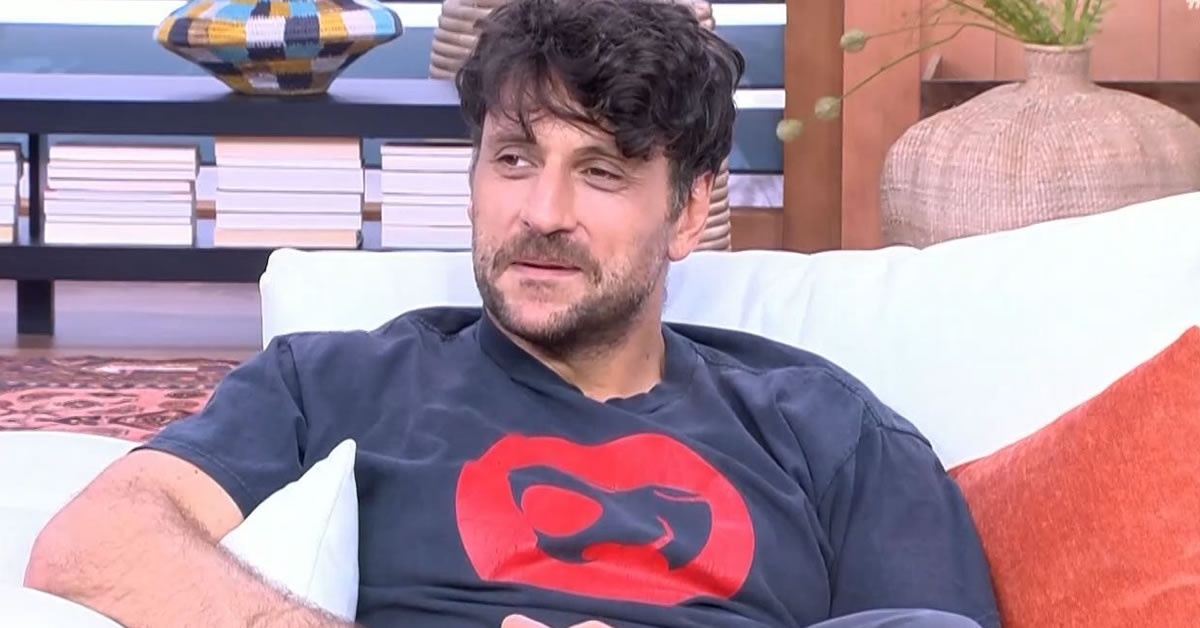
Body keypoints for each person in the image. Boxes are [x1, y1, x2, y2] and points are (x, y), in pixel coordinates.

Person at [24, 0, 1000, 626]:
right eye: (515, 159)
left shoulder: (827, 428)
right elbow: (97, 538)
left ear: (688, 211)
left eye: (601, 172)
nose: (542, 212)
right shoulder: (332, 383)